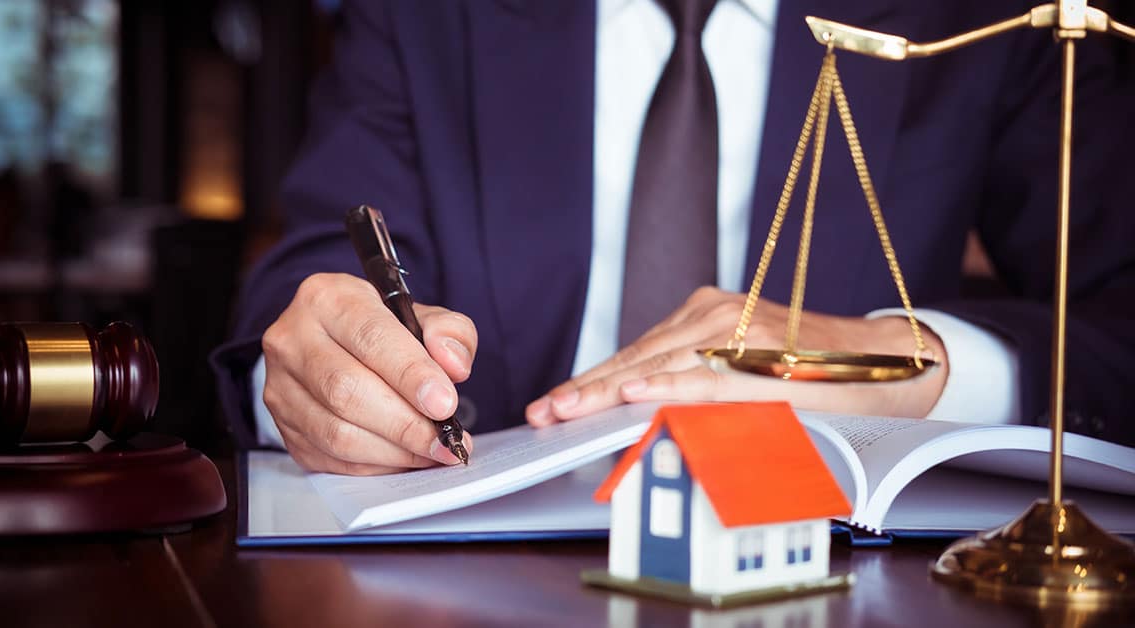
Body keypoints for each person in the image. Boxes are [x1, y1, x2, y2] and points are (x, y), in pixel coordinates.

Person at [212, 0, 1135, 475]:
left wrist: (907, 359)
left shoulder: (986, 20)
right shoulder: (425, 14)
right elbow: (316, 268)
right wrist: (311, 379)